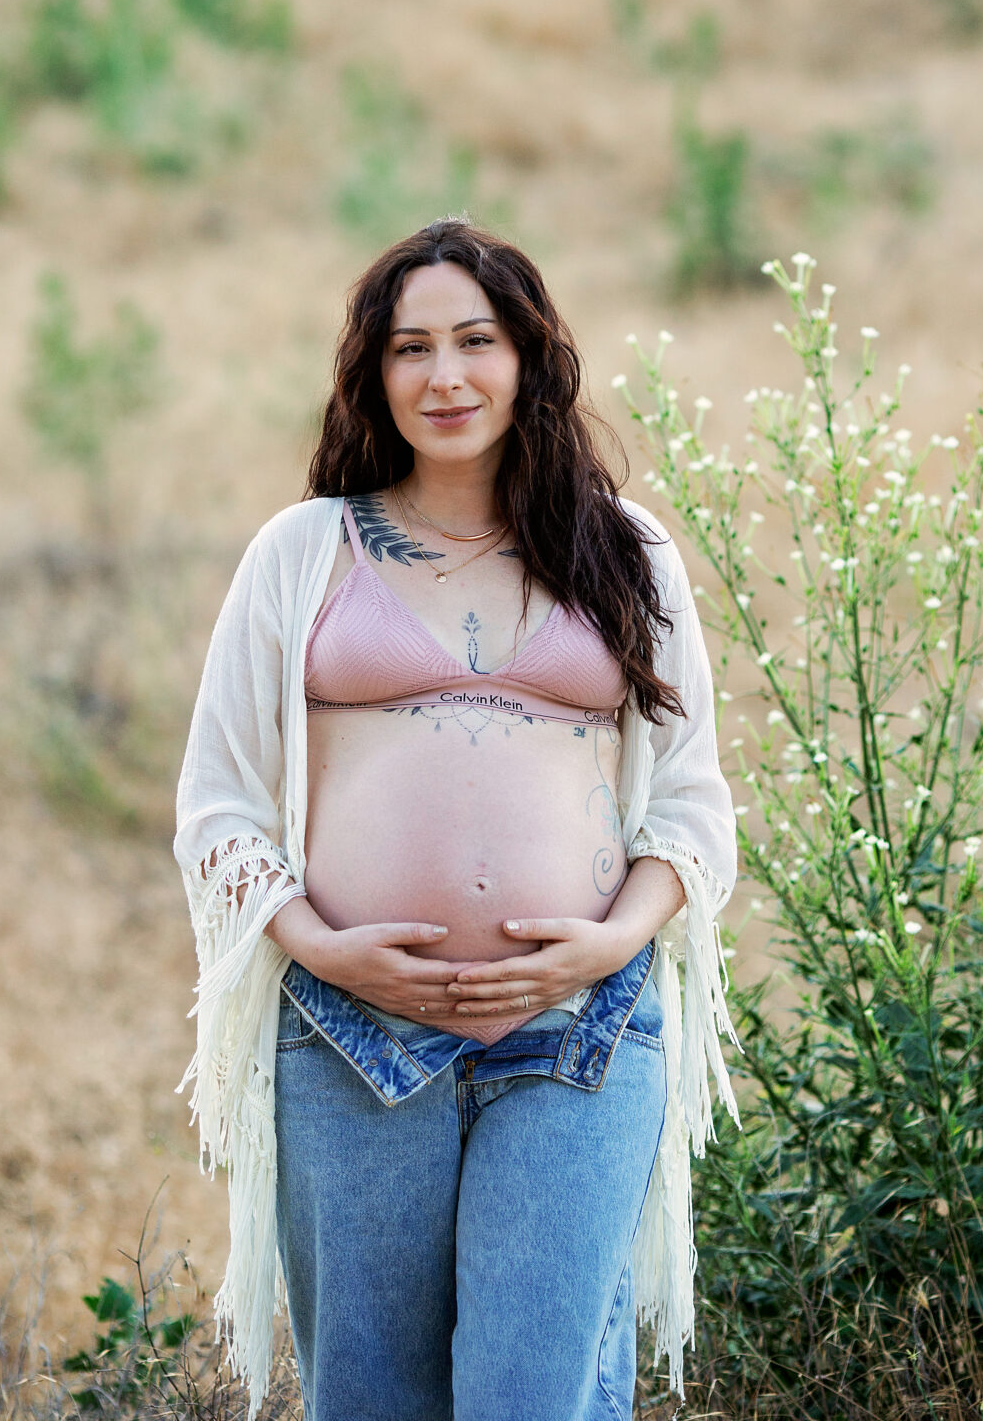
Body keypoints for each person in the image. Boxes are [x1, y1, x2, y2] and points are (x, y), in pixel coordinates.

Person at [173, 219, 738, 1421]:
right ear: (372, 374)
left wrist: (610, 942)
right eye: (409, 347)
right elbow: (218, 801)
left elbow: (688, 804)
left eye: (475, 341)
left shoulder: (622, 554)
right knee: (371, 1397)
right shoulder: (302, 551)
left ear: (527, 357)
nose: (444, 376)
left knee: (529, 1396)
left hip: (579, 1025)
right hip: (347, 1033)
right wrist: (321, 947)